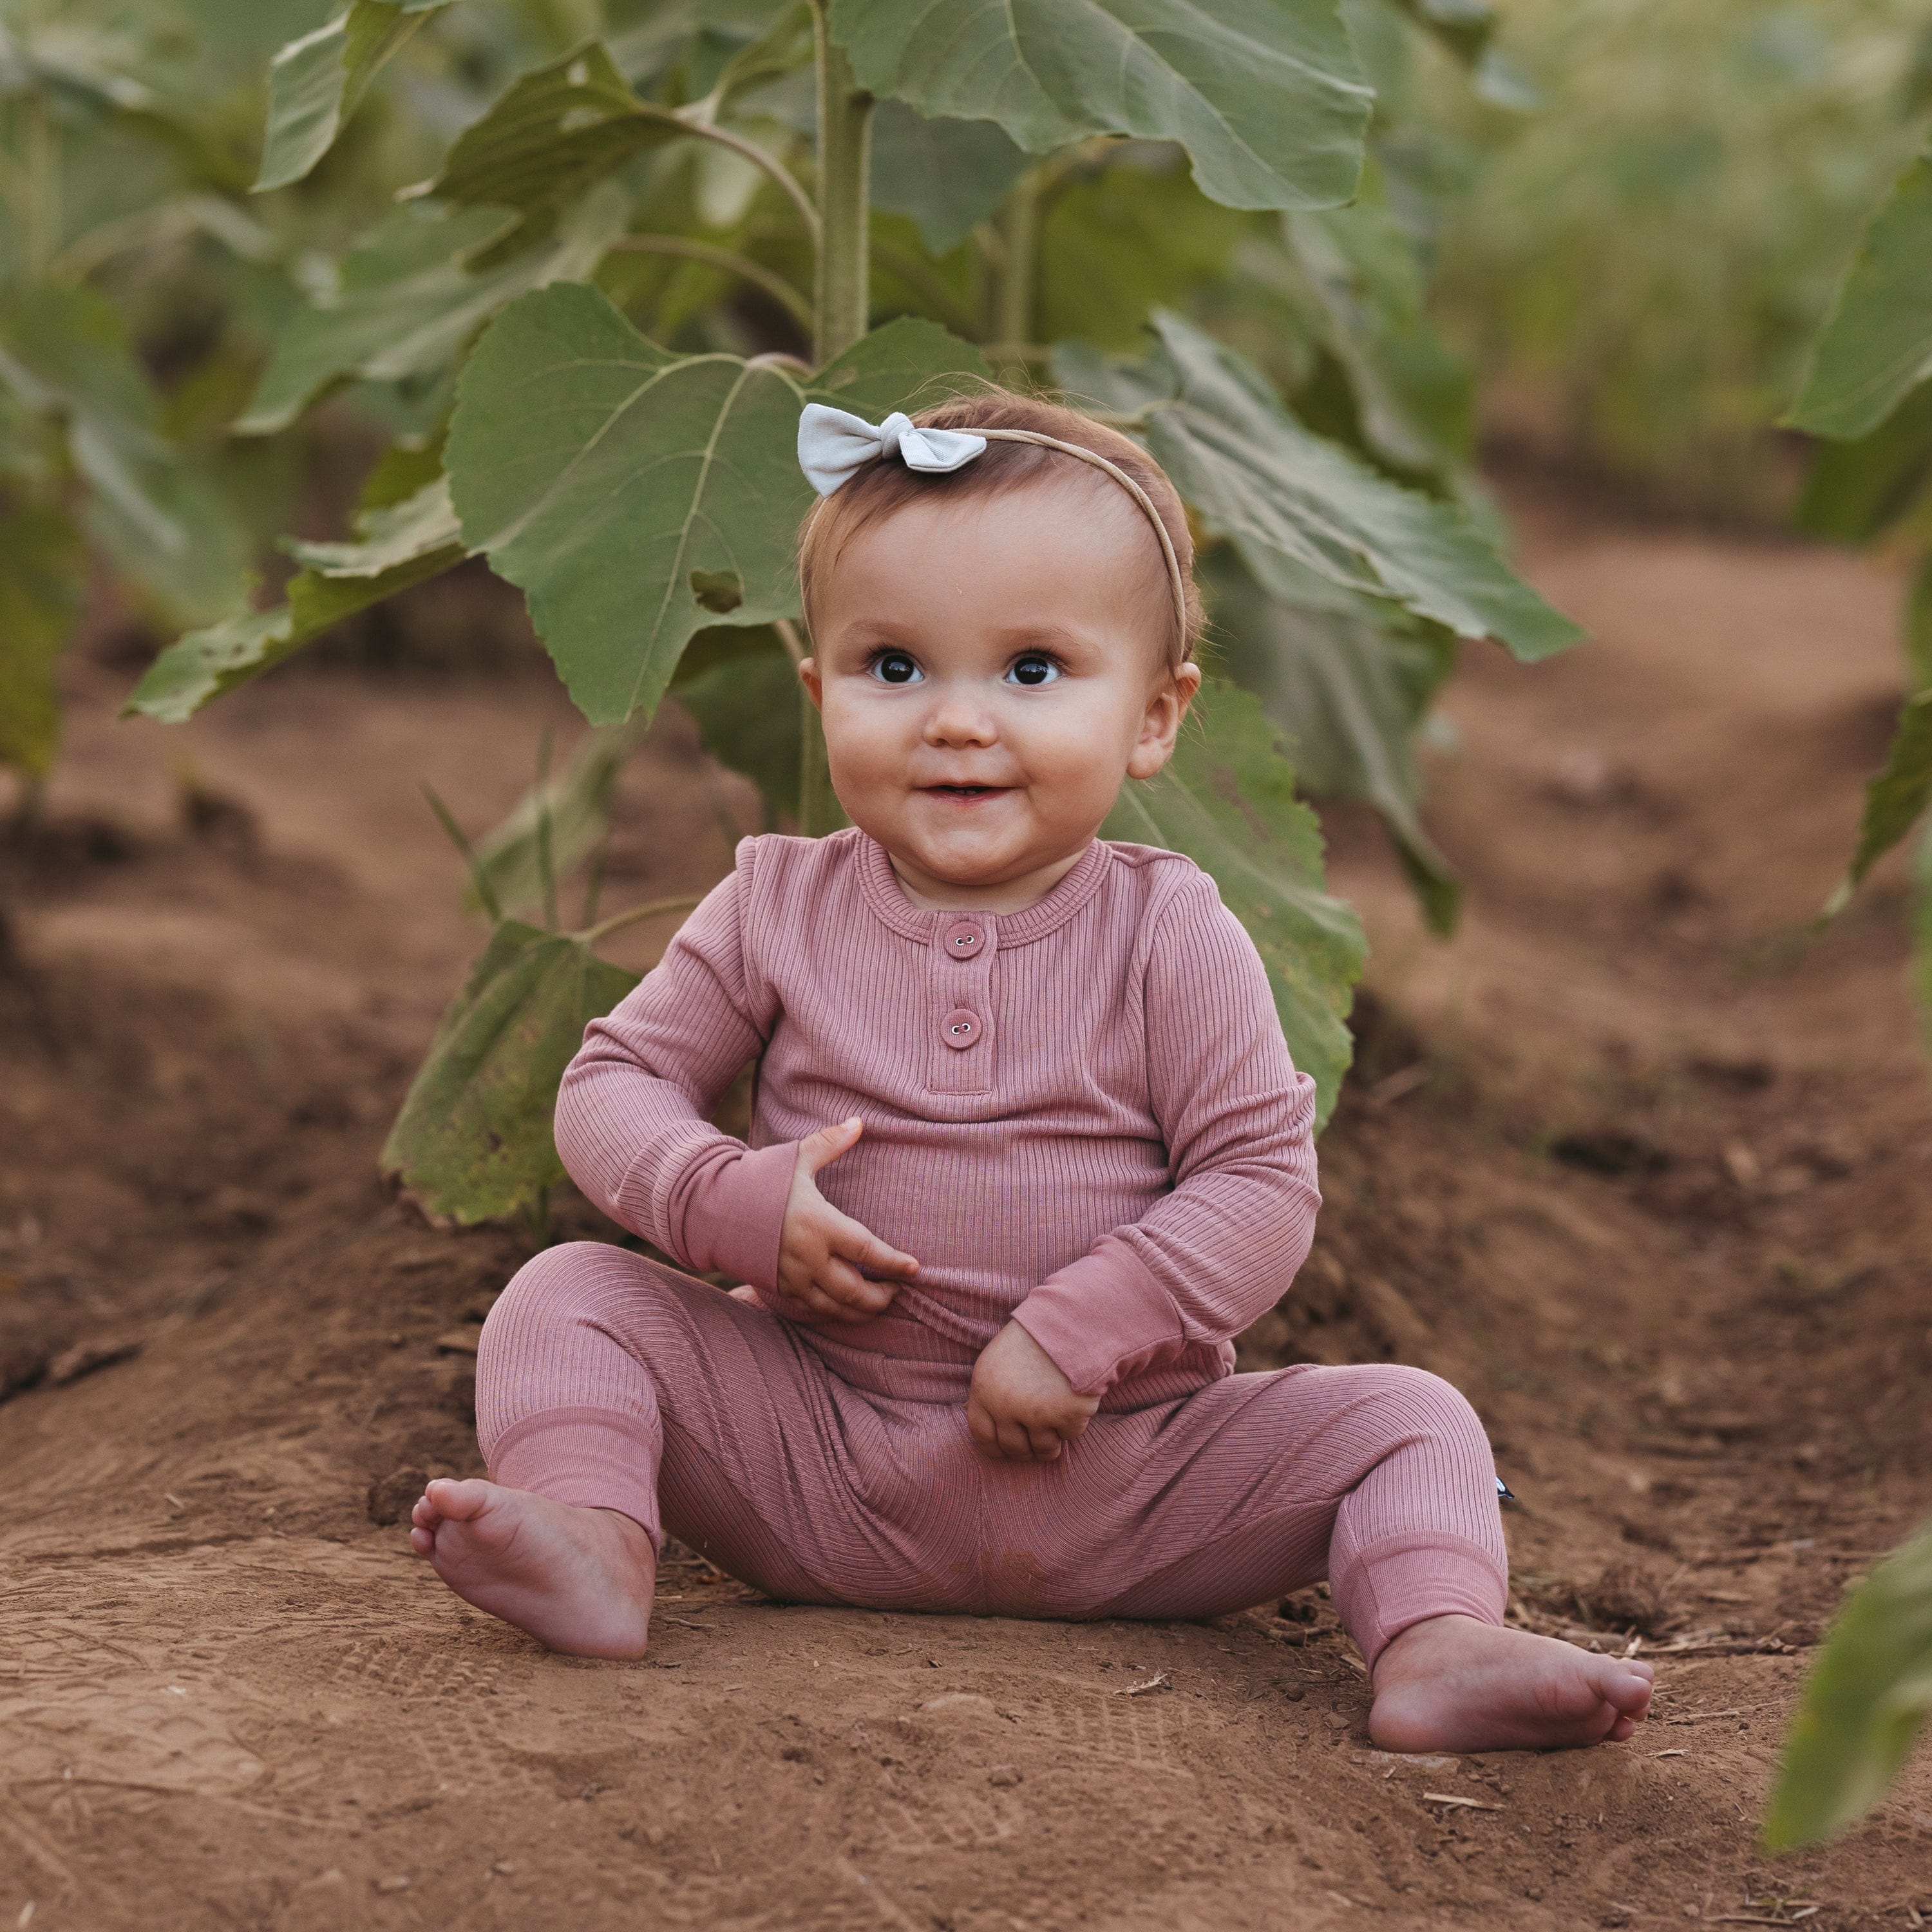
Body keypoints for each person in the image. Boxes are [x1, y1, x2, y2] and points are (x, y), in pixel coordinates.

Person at [409, 391, 1654, 1752]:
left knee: (1411, 1418)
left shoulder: (1171, 930)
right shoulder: (777, 904)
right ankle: (598, 1542)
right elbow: (609, 1089)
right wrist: (726, 1201)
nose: (955, 722)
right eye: (894, 668)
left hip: (1122, 1470)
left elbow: (1260, 1186)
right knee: (566, 1295)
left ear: (1156, 717)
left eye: (1033, 671)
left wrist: (1081, 1331)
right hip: (820, 1452)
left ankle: (1437, 1638)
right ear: (818, 690)